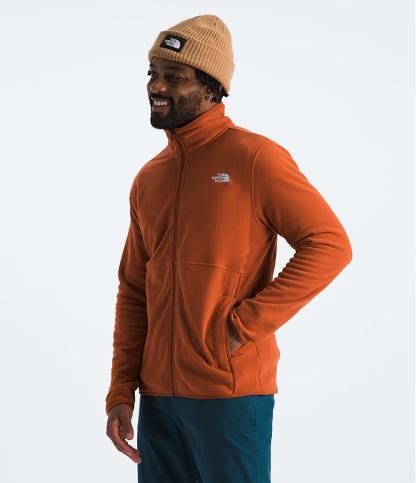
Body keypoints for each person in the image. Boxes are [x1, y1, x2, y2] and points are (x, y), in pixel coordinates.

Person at [105, 14, 352, 483]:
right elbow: (134, 290)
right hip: (157, 399)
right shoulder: (149, 178)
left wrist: (241, 328)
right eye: (153, 73)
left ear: (212, 87)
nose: (156, 86)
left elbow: (329, 244)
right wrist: (121, 390)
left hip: (229, 394)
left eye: (174, 76)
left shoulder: (255, 158)